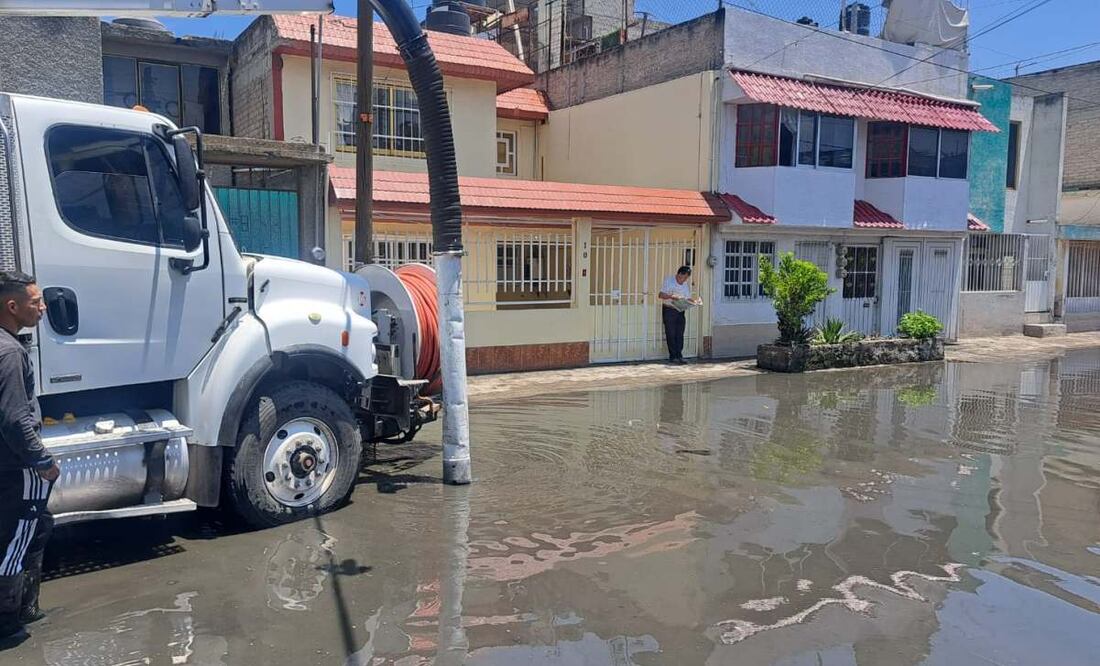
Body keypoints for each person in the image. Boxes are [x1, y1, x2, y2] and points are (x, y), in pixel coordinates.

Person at [0, 271, 57, 645]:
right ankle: (8, 624)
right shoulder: (10, 353)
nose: (43, 307)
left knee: (39, 526)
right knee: (16, 539)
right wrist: (43, 462)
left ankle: (25, 606)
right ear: (12, 306)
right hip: (17, 465)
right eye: (36, 302)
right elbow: (15, 418)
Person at [658, 266, 701, 365]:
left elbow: (687, 297)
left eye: (686, 278)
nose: (684, 280)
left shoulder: (685, 284)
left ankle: (679, 355)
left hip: (680, 310)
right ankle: (673, 356)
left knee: (680, 333)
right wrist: (671, 296)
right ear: (679, 274)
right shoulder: (669, 281)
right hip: (669, 309)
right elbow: (660, 295)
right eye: (683, 277)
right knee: (671, 333)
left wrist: (695, 301)